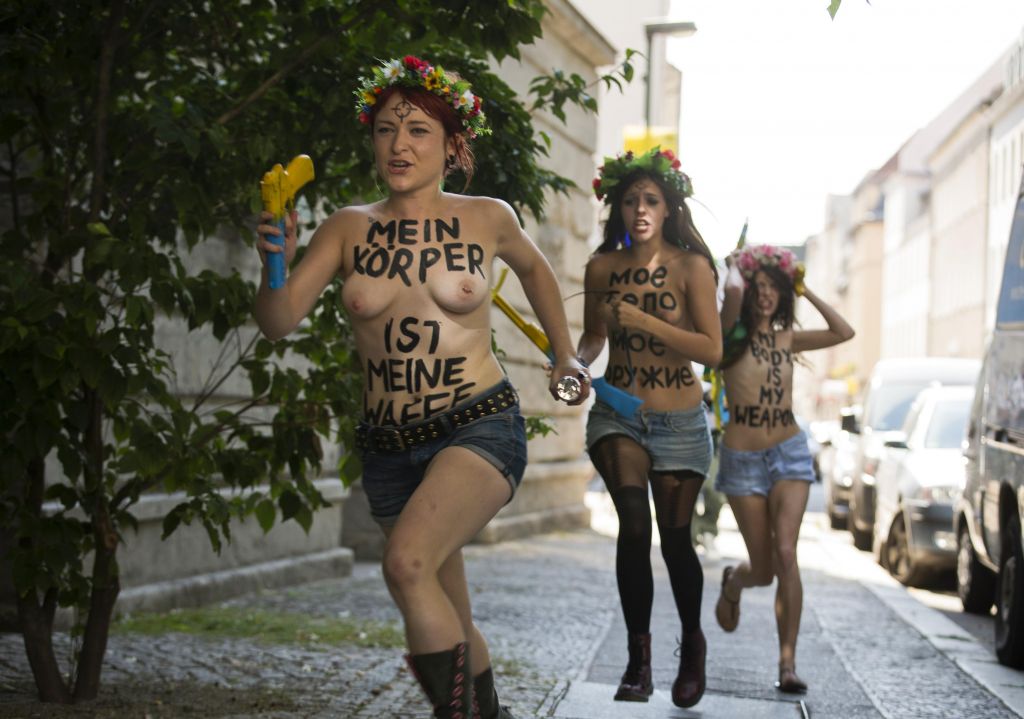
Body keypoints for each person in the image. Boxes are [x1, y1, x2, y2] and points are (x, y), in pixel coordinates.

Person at [254, 55, 589, 719]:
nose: (399, 144)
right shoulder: (348, 227)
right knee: (447, 603)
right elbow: (277, 320)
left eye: (417, 130)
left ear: (450, 142)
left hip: (477, 424)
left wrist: (566, 355)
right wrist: (272, 263)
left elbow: (536, 270)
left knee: (406, 564)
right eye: (385, 129)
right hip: (388, 445)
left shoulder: (486, 216)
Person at [575, 147, 722, 708]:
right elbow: (593, 337)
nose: (640, 208)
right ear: (617, 207)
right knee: (634, 525)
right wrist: (574, 362)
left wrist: (646, 322)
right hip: (618, 414)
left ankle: (692, 645)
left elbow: (710, 350)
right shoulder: (601, 268)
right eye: (631, 199)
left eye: (651, 200)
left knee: (676, 541)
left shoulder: (691, 267)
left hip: (681, 420)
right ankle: (639, 660)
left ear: (668, 209)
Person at [712, 244, 854, 694]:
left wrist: (804, 287)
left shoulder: (786, 339)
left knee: (788, 553)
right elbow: (728, 304)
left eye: (775, 288)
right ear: (750, 292)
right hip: (744, 460)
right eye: (761, 286)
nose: (767, 294)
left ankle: (787, 664)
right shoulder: (729, 339)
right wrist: (737, 269)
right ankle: (736, 581)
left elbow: (843, 330)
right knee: (765, 568)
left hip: (789, 452)